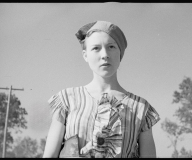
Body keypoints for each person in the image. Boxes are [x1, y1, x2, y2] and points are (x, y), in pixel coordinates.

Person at [43, 20, 160, 158]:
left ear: (120, 53)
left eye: (111, 47)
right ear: (85, 55)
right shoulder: (67, 99)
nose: (104, 54)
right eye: (96, 48)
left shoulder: (141, 108)